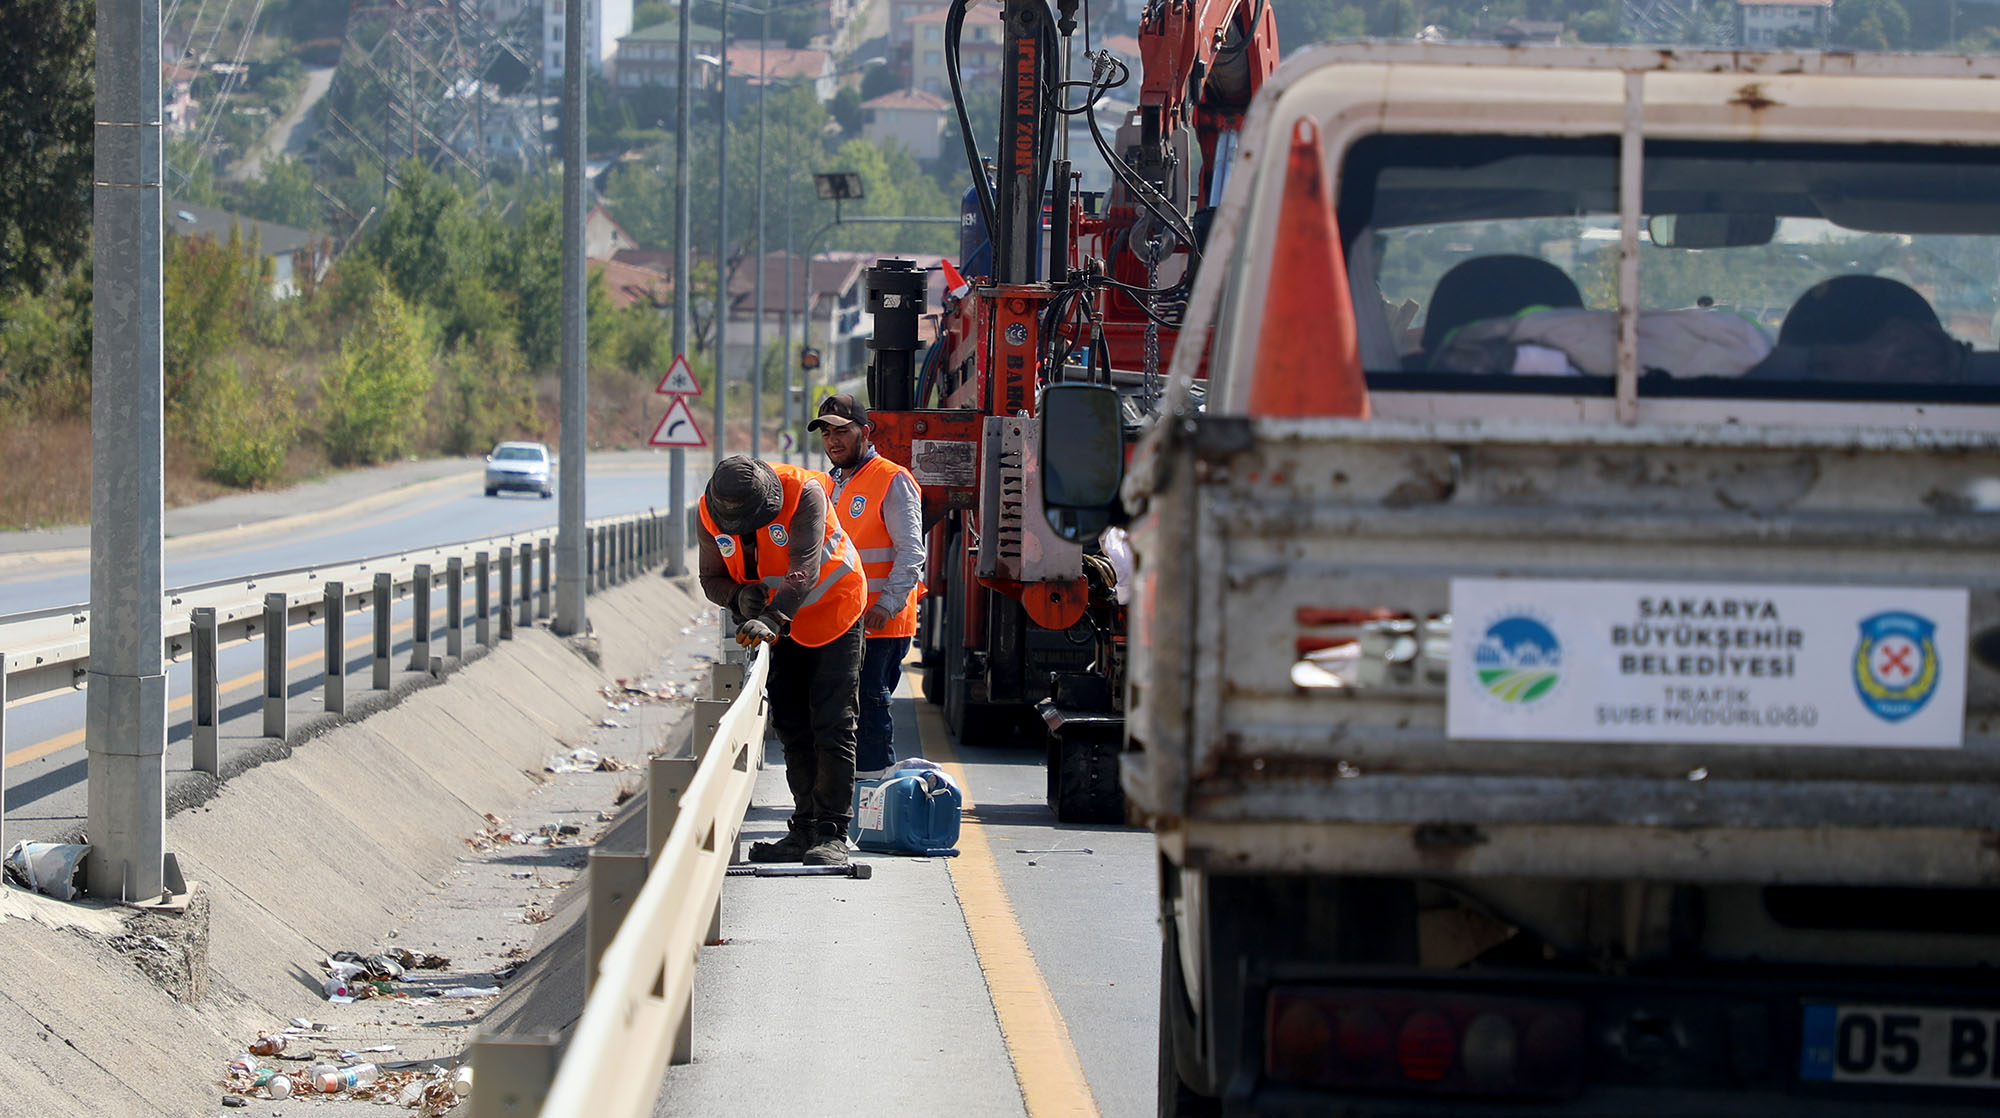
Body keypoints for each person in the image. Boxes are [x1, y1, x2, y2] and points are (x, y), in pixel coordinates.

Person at [697, 455, 867, 865]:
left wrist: (771, 617)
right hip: (777, 623)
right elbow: (710, 578)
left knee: (832, 722)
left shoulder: (803, 493)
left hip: (833, 611)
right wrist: (739, 597)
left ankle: (833, 833)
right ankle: (804, 828)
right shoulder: (709, 511)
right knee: (792, 724)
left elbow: (803, 572)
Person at [809, 394, 927, 779]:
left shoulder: (892, 480)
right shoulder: (827, 485)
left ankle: (875, 787)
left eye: (842, 431)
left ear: (865, 431)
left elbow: (912, 552)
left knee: (871, 705)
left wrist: (888, 604)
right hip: (841, 621)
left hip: (880, 622)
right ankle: (851, 791)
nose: (833, 440)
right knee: (844, 709)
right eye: (826, 433)